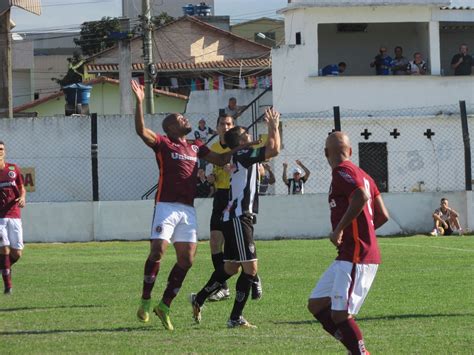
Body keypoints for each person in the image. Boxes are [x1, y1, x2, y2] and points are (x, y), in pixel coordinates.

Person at [131, 80, 245, 331]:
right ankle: (146, 299)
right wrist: (139, 103)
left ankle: (165, 306)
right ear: (171, 127)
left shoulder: (196, 146)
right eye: (180, 118)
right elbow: (141, 130)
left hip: (187, 209)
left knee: (187, 260)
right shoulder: (163, 143)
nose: (185, 119)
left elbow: (221, 158)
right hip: (166, 206)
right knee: (158, 251)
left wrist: (237, 142)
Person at [190, 107, 281, 329]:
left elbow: (267, 151)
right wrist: (273, 126)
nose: (250, 136)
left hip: (236, 217)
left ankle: (199, 298)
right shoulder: (242, 154)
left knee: (231, 268)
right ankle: (235, 318)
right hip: (239, 218)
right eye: (246, 134)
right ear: (240, 140)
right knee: (251, 270)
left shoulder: (240, 154)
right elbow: (274, 150)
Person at [307, 132, 389, 355]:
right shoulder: (365, 175)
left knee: (340, 314)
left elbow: (360, 197)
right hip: (349, 254)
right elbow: (382, 215)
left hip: (356, 254)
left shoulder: (342, 172)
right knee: (316, 304)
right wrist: (362, 232)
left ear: (326, 153)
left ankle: (361, 353)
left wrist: (340, 230)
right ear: (350, 151)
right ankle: (354, 349)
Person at [206, 114, 262, 302]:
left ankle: (253, 277)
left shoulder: (242, 149)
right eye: (222, 124)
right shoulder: (214, 148)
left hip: (235, 199)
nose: (225, 126)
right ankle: (223, 288)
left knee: (238, 250)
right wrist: (207, 177)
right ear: (217, 127)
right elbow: (210, 168)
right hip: (221, 197)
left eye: (229, 124)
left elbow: (258, 165)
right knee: (215, 241)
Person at [0, 141, 26, 295]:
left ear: (5, 151)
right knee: (4, 247)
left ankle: (5, 268)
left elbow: (22, 188)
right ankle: (8, 286)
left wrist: (23, 197)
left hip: (14, 214)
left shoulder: (13, 168)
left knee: (16, 253)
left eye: (1, 149)